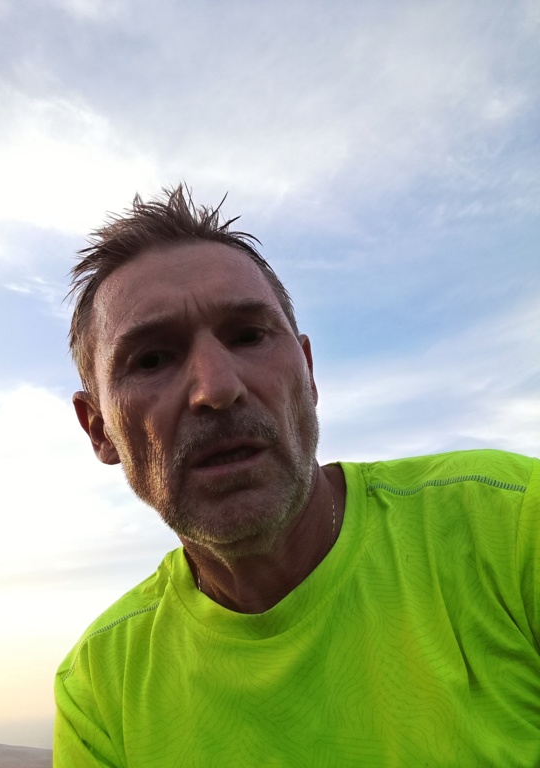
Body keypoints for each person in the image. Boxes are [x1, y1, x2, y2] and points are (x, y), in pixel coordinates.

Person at [54, 185, 539, 767]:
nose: (217, 388)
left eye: (248, 336)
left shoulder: (511, 524)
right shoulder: (101, 687)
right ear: (99, 429)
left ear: (308, 373)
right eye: (152, 359)